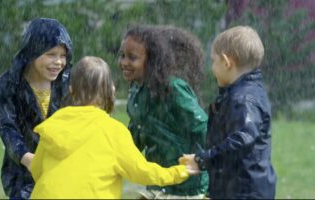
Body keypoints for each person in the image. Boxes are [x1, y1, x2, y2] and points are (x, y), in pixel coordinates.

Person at [29, 56, 198, 199]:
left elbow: (37, 170)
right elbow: (142, 172)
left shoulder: (54, 125)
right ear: (111, 90)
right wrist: (181, 171)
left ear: (72, 90)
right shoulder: (113, 131)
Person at [179, 25, 277, 199]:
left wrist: (203, 160)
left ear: (226, 62)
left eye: (214, 61)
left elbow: (241, 141)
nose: (212, 68)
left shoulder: (244, 99)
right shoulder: (245, 93)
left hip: (244, 193)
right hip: (238, 188)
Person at [118, 25, 208, 199]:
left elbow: (203, 128)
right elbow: (136, 134)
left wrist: (207, 162)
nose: (124, 62)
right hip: (159, 182)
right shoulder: (136, 91)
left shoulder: (173, 89)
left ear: (151, 60)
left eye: (132, 57)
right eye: (122, 55)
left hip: (187, 187)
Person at [0, 18, 73, 199]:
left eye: (63, 55)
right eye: (51, 54)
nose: (59, 62)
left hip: (62, 172)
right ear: (32, 51)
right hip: (21, 176)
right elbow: (6, 126)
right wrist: (27, 158)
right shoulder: (8, 84)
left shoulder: (68, 84)